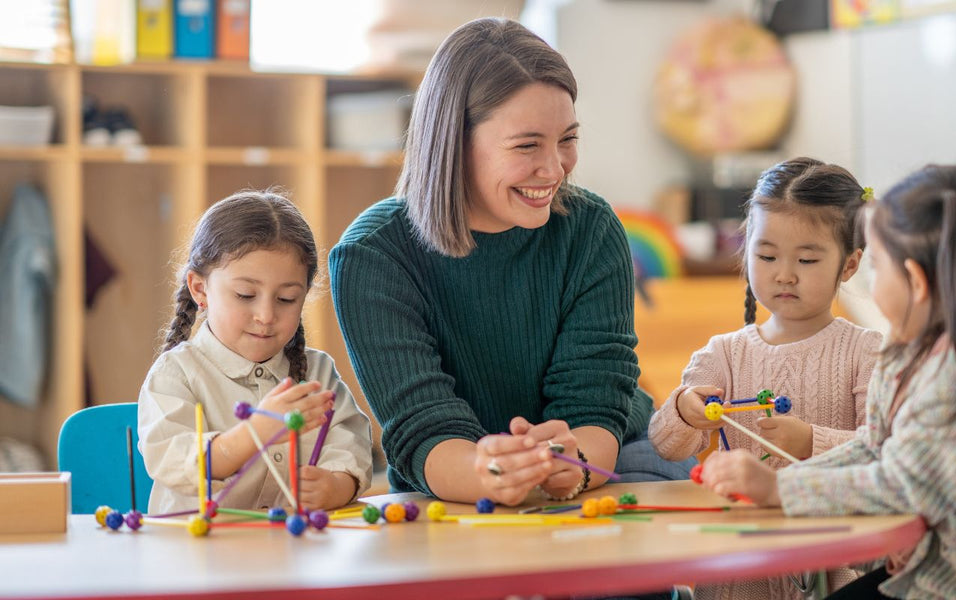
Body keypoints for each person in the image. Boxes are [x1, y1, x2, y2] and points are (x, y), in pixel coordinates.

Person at [329, 17, 694, 508]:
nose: (555, 168)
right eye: (527, 145)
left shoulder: (590, 228)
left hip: (615, 459)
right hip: (457, 483)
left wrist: (573, 467)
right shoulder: (371, 255)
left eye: (567, 139)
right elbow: (422, 430)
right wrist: (493, 474)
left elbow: (596, 406)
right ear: (453, 143)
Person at [698, 165, 956, 599]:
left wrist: (781, 488)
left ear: (914, 281)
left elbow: (905, 487)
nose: (870, 279)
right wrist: (775, 484)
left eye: (877, 265)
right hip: (931, 576)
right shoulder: (909, 353)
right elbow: (874, 447)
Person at [649, 157, 882, 598]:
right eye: (766, 255)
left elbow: (888, 451)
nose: (784, 273)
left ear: (849, 265)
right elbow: (666, 445)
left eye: (807, 259)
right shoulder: (724, 353)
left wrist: (812, 441)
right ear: (746, 251)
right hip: (738, 574)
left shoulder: (866, 352)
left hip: (830, 571)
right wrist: (684, 409)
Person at [139, 190, 373, 514]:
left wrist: (336, 485)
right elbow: (172, 459)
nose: (266, 315)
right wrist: (255, 432)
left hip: (289, 553)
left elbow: (352, 445)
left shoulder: (318, 374)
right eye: (245, 294)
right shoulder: (175, 374)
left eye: (287, 299)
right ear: (200, 289)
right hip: (195, 555)